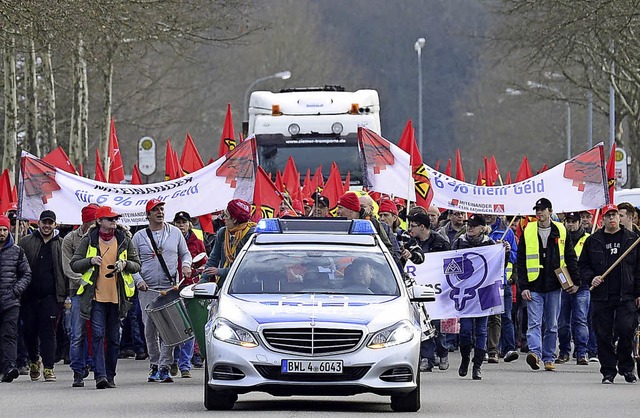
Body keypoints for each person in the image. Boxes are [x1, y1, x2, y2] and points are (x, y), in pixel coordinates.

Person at [71, 206, 140, 389]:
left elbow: (137, 265)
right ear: (100, 221)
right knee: (98, 335)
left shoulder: (124, 239)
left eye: (115, 219)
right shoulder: (89, 240)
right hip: (96, 297)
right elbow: (74, 264)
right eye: (109, 219)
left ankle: (110, 375)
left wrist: (124, 264)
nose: (113, 222)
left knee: (114, 339)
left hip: (117, 298)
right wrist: (90, 261)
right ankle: (100, 376)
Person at [579, 203, 640, 384]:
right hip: (602, 295)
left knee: (626, 329)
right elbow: (583, 266)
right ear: (603, 219)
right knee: (603, 334)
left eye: (615, 215)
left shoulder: (632, 239)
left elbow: (638, 269)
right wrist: (592, 278)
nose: (612, 219)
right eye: (608, 216)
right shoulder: (593, 241)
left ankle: (626, 367)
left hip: (626, 294)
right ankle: (608, 371)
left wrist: (638, 292)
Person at [132, 199, 192, 383]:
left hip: (169, 288)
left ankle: (165, 367)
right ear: (148, 214)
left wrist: (187, 266)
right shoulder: (139, 236)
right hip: (148, 290)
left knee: (169, 329)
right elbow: (132, 263)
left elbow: (185, 253)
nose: (160, 212)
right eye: (155, 210)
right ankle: (155, 364)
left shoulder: (174, 233)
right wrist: (138, 281)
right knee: (150, 330)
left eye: (162, 209)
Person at [517, 198, 579, 371]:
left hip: (554, 284)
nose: (539, 213)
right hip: (534, 284)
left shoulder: (561, 230)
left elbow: (570, 256)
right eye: (537, 210)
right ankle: (535, 354)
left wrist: (575, 281)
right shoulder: (528, 230)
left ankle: (549, 357)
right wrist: (524, 287)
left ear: (550, 211)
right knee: (534, 323)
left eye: (543, 210)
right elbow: (521, 261)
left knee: (552, 324)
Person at [19, 210, 67, 382]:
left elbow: (65, 271)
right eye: (44, 222)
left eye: (50, 223)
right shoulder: (26, 242)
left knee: (49, 332)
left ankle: (48, 367)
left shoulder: (61, 244)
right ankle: (33, 361)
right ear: (38, 223)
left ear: (55, 225)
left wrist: (65, 295)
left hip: (52, 297)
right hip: (28, 296)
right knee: (29, 331)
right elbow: (19, 267)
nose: (47, 226)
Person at [451, 214, 496, 380]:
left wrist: (503, 253)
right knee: (466, 331)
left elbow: (498, 268)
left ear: (482, 228)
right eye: (469, 224)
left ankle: (477, 366)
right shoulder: (459, 241)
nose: (470, 228)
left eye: (474, 225)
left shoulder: (490, 244)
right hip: (465, 292)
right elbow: (450, 265)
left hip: (484, 292)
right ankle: (465, 359)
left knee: (482, 330)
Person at [407, 209, 451, 372]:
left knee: (437, 324)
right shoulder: (410, 242)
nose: (410, 228)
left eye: (414, 225)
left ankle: (442, 352)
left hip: (437, 292)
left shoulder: (440, 242)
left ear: (423, 227)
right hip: (418, 290)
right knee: (422, 324)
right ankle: (427, 358)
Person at [61, 203, 100, 387]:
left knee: (99, 332)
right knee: (77, 333)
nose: (96, 224)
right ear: (85, 221)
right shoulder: (70, 239)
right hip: (77, 292)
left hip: (99, 291)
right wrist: (83, 280)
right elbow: (67, 266)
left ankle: (99, 369)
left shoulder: (101, 237)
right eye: (93, 220)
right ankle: (77, 370)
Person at [171, 210, 206, 378]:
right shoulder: (170, 240)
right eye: (178, 222)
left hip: (190, 288)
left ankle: (185, 364)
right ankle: (174, 360)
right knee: (175, 326)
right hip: (173, 287)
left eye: (183, 222)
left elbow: (205, 262)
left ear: (189, 224)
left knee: (190, 327)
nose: (181, 225)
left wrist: (199, 271)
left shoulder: (197, 242)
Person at [556, 211, 591, 365]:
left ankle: (582, 352)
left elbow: (591, 265)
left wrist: (578, 283)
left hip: (582, 286)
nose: (570, 224)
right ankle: (564, 352)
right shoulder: (560, 239)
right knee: (563, 322)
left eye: (573, 221)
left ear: (579, 223)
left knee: (580, 320)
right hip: (563, 285)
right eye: (567, 221)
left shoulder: (588, 239)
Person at [0, 215, 32, 382]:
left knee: (10, 334)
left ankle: (10, 366)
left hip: (10, 301)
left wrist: (15, 291)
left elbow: (26, 274)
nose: (2, 233)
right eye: (0, 230)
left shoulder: (17, 251)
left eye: (5, 229)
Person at [484, 213, 519, 364]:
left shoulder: (507, 231)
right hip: (484, 281)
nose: (488, 215)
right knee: (486, 318)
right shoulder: (478, 230)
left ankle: (509, 349)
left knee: (505, 317)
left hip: (503, 280)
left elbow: (516, 257)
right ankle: (488, 349)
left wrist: (507, 251)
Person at [200, 199, 255, 285]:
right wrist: (203, 280)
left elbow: (249, 268)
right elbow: (213, 258)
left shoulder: (252, 235)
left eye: (226, 215)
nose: (223, 218)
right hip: (224, 285)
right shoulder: (223, 232)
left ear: (234, 219)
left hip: (246, 285)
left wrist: (221, 272)